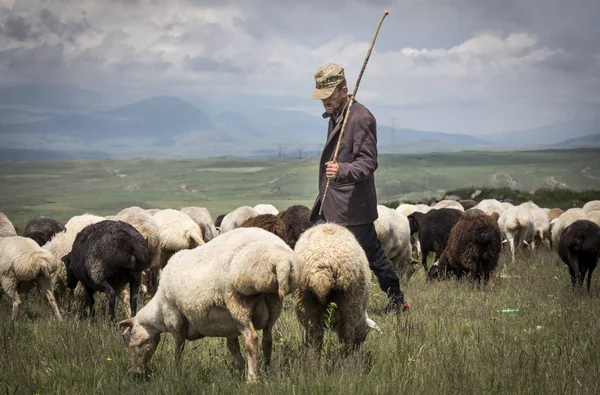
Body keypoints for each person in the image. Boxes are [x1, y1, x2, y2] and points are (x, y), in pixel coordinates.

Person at [308, 63, 410, 314]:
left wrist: (342, 170)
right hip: (331, 201)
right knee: (317, 247)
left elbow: (368, 162)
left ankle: (398, 301)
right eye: (321, 96)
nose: (324, 101)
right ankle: (322, 302)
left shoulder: (361, 117)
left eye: (329, 95)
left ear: (343, 90)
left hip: (353, 206)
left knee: (373, 255)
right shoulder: (336, 115)